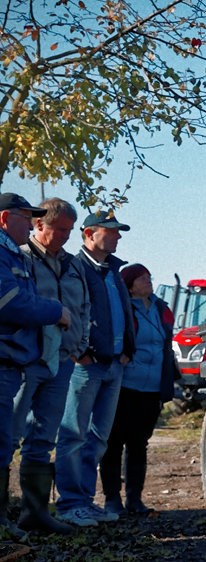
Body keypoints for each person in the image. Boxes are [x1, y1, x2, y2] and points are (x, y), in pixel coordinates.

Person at [12, 198, 90, 535]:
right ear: (38, 225)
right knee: (9, 434)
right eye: (59, 229)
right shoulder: (21, 259)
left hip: (61, 364)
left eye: (69, 231)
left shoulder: (73, 265)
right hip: (25, 362)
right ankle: (5, 518)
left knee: (44, 438)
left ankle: (36, 513)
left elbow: (84, 308)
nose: (65, 237)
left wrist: (78, 347)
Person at [55, 210, 135, 527]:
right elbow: (69, 311)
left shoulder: (112, 271)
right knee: (73, 435)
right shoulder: (74, 268)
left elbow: (123, 312)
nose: (117, 236)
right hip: (86, 366)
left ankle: (85, 502)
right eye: (111, 231)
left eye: (118, 231)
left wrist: (128, 348)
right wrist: (80, 351)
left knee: (99, 438)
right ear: (89, 234)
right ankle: (69, 505)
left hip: (114, 365)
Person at [0, 193, 70, 540]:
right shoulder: (9, 255)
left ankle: (33, 513)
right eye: (24, 217)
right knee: (5, 439)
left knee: (37, 438)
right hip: (13, 360)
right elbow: (11, 303)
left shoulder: (16, 254)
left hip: (36, 359)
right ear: (3, 219)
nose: (29, 223)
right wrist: (55, 311)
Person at [100, 264, 175, 515]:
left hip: (152, 387)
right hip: (125, 385)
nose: (149, 281)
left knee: (139, 443)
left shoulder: (161, 308)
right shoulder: (122, 308)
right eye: (143, 278)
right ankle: (112, 499)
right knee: (114, 441)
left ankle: (135, 499)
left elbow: (166, 346)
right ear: (130, 284)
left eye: (149, 277)